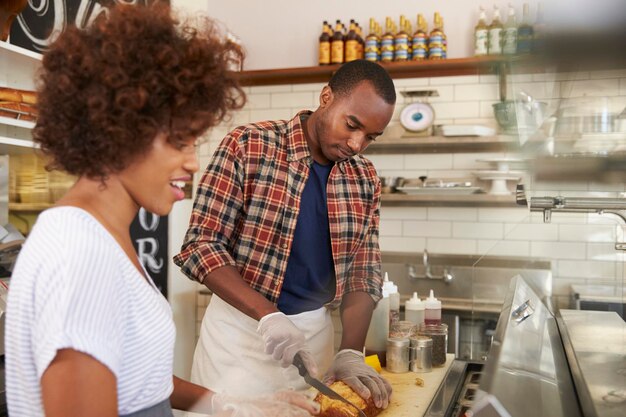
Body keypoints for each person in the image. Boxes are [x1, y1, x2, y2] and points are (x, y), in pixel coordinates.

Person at [4, 4, 318, 417]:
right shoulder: (77, 251)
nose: (192, 162)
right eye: (180, 141)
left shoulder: (103, 234)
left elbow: (134, 375)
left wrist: (231, 405)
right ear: (117, 127)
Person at [175, 59, 396, 408]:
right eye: (352, 125)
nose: (357, 144)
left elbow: (362, 273)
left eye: (370, 137)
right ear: (326, 97)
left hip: (312, 342)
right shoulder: (249, 145)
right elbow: (201, 245)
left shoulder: (364, 177)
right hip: (239, 340)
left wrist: (351, 351)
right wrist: (268, 315)